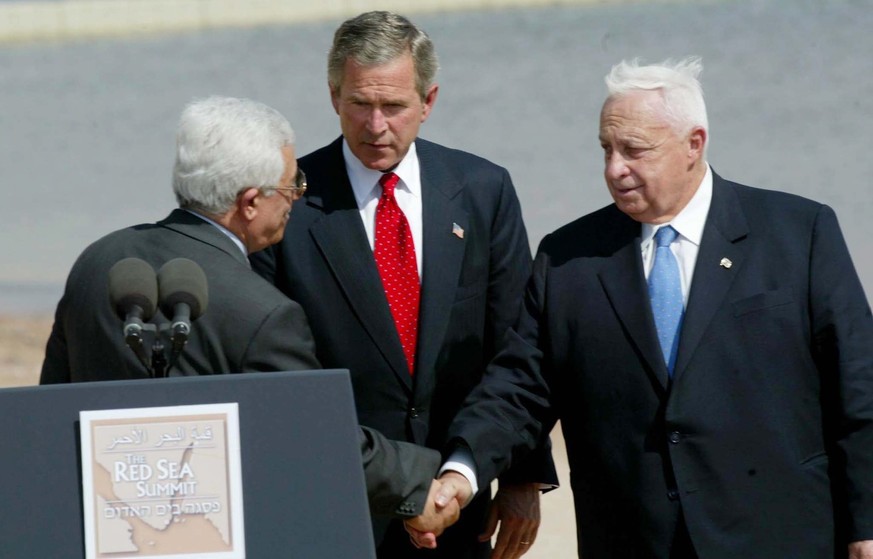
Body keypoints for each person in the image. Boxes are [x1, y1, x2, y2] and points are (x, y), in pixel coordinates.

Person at [417, 57, 873, 558]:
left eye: (634, 150)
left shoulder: (798, 233)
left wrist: (865, 524)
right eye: (606, 149)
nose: (614, 168)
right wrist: (462, 470)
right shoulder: (569, 258)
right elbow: (519, 390)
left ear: (693, 145)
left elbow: (858, 389)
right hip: (633, 540)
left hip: (778, 537)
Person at [39, 95, 457, 529]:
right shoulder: (264, 312)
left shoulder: (98, 261)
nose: (296, 198)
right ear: (251, 202)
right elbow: (319, 438)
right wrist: (418, 479)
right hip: (213, 533)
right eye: (291, 185)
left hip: (105, 525)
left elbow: (51, 404)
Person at [251, 11, 556, 558]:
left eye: (393, 107)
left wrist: (520, 478)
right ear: (332, 96)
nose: (375, 126)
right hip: (334, 499)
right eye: (359, 104)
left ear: (428, 101)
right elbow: (275, 375)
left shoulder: (483, 191)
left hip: (457, 498)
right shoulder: (287, 204)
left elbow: (516, 346)